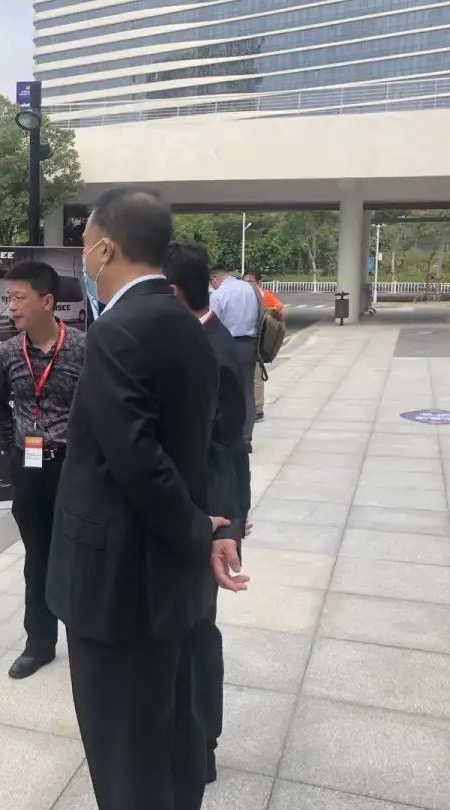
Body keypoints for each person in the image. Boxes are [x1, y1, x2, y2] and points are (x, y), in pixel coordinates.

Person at [51, 188, 249, 810]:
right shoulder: (190, 324)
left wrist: (198, 530)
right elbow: (209, 445)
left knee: (125, 755)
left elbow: (136, 460)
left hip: (116, 584)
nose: (85, 259)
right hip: (169, 580)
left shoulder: (118, 330)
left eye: (86, 246)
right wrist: (211, 529)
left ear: (105, 248)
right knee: (171, 738)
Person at [165, 241, 250, 784]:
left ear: (174, 293)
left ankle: (203, 743)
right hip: (194, 513)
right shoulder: (197, 340)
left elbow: (227, 448)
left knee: (198, 632)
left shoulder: (209, 351)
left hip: (206, 518)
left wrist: (226, 524)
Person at [0, 261, 86, 679]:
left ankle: (85, 640)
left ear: (47, 302)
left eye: (19, 298)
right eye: (8, 298)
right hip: (28, 470)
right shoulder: (8, 353)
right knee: (37, 558)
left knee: (79, 556)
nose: (11, 307)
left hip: (72, 468)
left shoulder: (83, 347)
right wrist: (16, 445)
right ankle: (39, 643)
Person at [210, 266, 261, 447]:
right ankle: (246, 439)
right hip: (249, 344)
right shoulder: (250, 289)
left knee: (223, 391)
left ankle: (229, 436)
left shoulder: (218, 295)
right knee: (247, 391)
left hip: (227, 345)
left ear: (215, 279)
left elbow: (213, 324)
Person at [244, 269, 285, 422]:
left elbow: (280, 308)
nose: (247, 285)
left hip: (258, 342)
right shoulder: (242, 296)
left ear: (259, 283)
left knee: (256, 377)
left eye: (250, 282)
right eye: (244, 282)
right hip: (245, 341)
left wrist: (267, 312)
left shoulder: (264, 295)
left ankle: (257, 409)